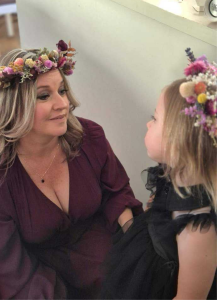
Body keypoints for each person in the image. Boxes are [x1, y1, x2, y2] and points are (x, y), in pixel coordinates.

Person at [0, 39, 143, 299]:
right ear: (15, 106)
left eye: (62, 90)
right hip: (42, 282)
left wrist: (138, 246)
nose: (62, 104)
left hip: (109, 263)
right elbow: (10, 268)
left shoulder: (89, 137)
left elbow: (117, 192)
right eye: (44, 95)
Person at [100, 49, 217, 299]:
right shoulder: (178, 174)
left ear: (180, 139)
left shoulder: (197, 223)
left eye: (155, 118)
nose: (147, 123)